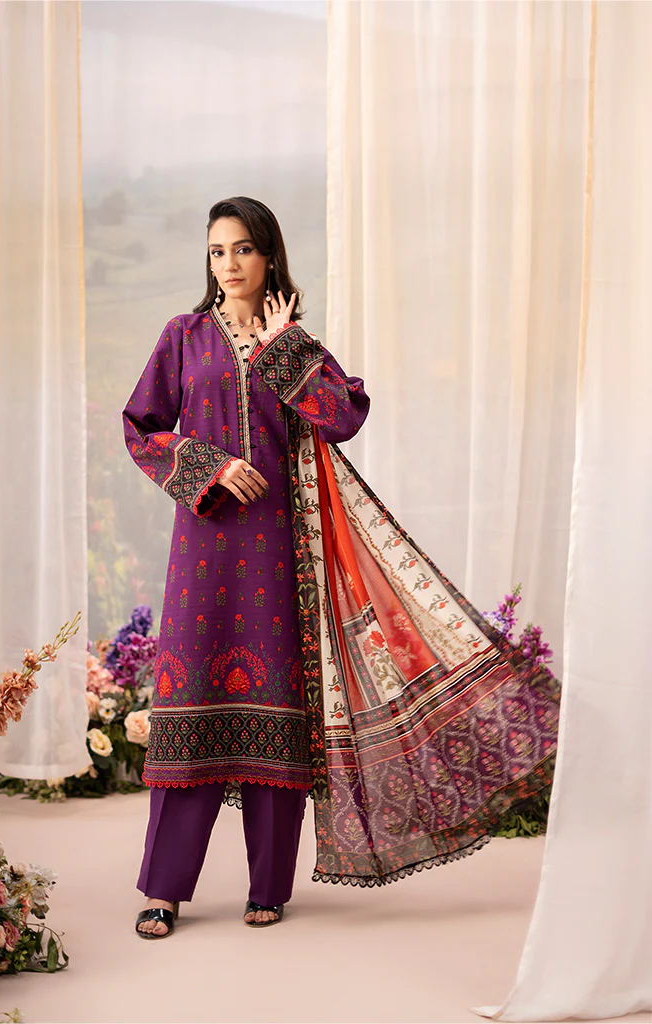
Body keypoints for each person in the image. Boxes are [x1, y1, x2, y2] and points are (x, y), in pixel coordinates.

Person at [123, 197, 561, 940]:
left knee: (280, 712)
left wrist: (284, 351)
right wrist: (209, 465)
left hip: (282, 552)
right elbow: (141, 426)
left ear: (269, 256)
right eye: (217, 251)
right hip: (203, 551)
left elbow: (345, 418)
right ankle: (164, 890)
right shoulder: (184, 336)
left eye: (242, 249)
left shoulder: (294, 343)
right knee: (189, 708)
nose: (228, 265)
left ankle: (269, 886)